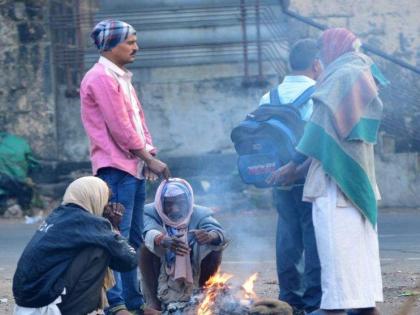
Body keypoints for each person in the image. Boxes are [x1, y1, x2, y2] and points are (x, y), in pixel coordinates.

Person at [280, 28, 383, 315]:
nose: (322, 58)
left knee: (336, 251)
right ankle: (363, 306)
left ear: (334, 48)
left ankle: (335, 308)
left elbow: (319, 127)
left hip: (336, 180)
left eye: (323, 51)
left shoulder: (342, 75)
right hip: (357, 174)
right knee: (357, 251)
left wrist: (293, 164)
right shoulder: (363, 70)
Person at [80, 20, 170, 315]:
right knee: (116, 238)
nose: (136, 47)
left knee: (131, 240)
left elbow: (137, 121)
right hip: (116, 168)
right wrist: (149, 158)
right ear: (110, 45)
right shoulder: (101, 78)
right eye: (130, 42)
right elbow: (120, 128)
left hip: (132, 167)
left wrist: (148, 155)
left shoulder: (119, 77)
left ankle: (134, 302)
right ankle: (116, 304)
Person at [13, 176, 138, 315]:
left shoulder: (59, 214)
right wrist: (113, 227)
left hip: (28, 302)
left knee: (100, 244)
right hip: (44, 303)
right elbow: (129, 260)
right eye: (106, 201)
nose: (107, 207)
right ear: (95, 197)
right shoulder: (88, 221)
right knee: (100, 250)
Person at [261, 39, 323, 315]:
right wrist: (297, 169)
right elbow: (319, 141)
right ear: (317, 64)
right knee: (314, 241)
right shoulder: (318, 94)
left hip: (278, 178)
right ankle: (314, 303)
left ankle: (288, 300)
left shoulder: (269, 96)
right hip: (308, 178)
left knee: (287, 239)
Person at [139, 178, 228, 313]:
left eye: (180, 203)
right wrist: (162, 239)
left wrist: (210, 236)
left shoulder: (200, 213)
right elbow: (148, 230)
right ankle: (154, 302)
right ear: (161, 202)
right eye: (169, 204)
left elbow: (220, 233)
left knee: (215, 247)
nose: (175, 209)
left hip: (194, 268)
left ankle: (202, 296)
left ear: (188, 201)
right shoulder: (150, 211)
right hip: (161, 267)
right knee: (145, 247)